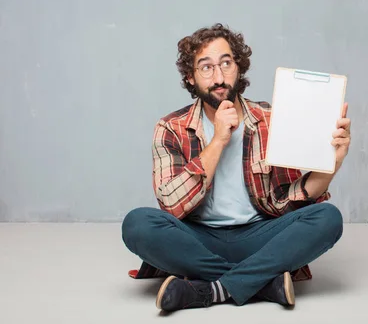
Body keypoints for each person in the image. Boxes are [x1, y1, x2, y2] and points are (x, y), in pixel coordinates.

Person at [121, 23, 351, 312]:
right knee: (137, 224)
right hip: (198, 240)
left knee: (327, 217)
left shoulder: (270, 118)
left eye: (226, 63)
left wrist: (332, 163)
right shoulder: (171, 128)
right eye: (206, 67)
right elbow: (171, 205)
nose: (218, 77)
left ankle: (212, 290)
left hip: (261, 236)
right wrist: (218, 140)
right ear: (191, 78)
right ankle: (262, 282)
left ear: (238, 67)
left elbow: (299, 195)